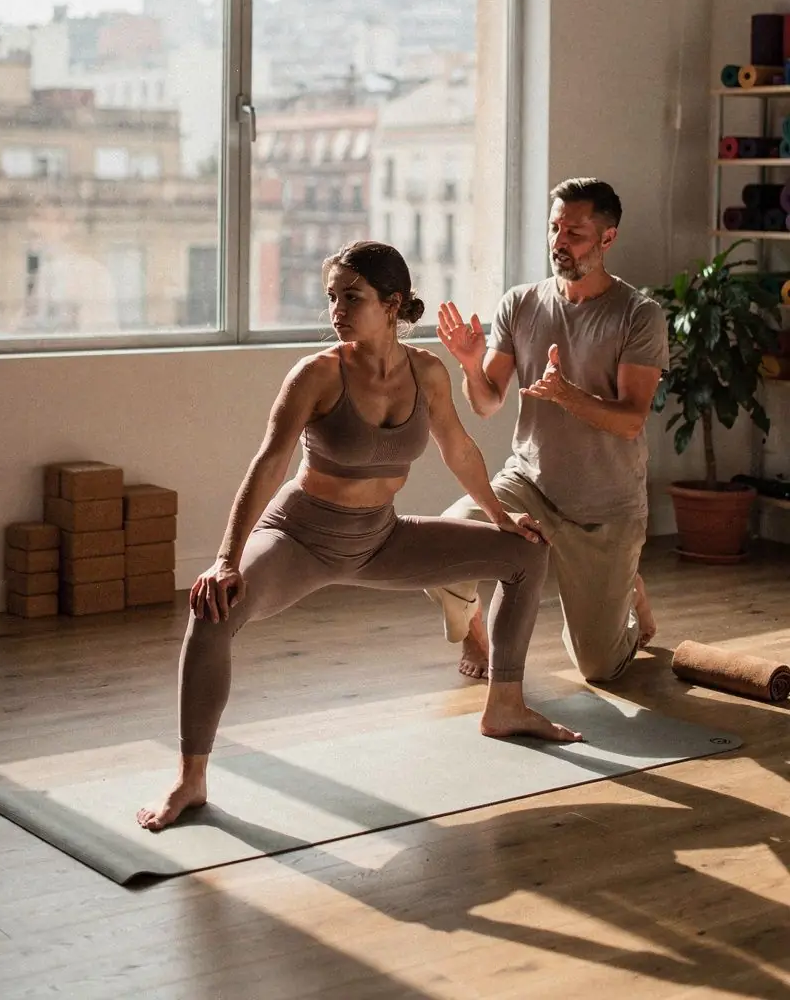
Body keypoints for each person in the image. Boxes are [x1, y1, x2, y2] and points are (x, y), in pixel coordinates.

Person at [138, 240, 582, 833]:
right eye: (332, 297)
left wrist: (503, 519)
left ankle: (505, 704)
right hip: (299, 538)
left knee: (526, 553)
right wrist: (226, 559)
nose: (337, 310)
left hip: (380, 538)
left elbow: (459, 449)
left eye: (352, 297)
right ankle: (190, 779)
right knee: (212, 611)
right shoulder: (317, 374)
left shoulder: (427, 372)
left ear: (392, 304)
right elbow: (268, 464)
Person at [430, 178, 669, 685]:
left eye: (575, 233)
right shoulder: (520, 303)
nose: (559, 242)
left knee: (599, 667)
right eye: (554, 228)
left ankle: (626, 591)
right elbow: (487, 403)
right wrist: (471, 365)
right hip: (529, 484)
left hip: (606, 504)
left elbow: (631, 419)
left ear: (607, 238)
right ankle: (474, 631)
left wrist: (567, 395)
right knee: (442, 543)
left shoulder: (639, 315)